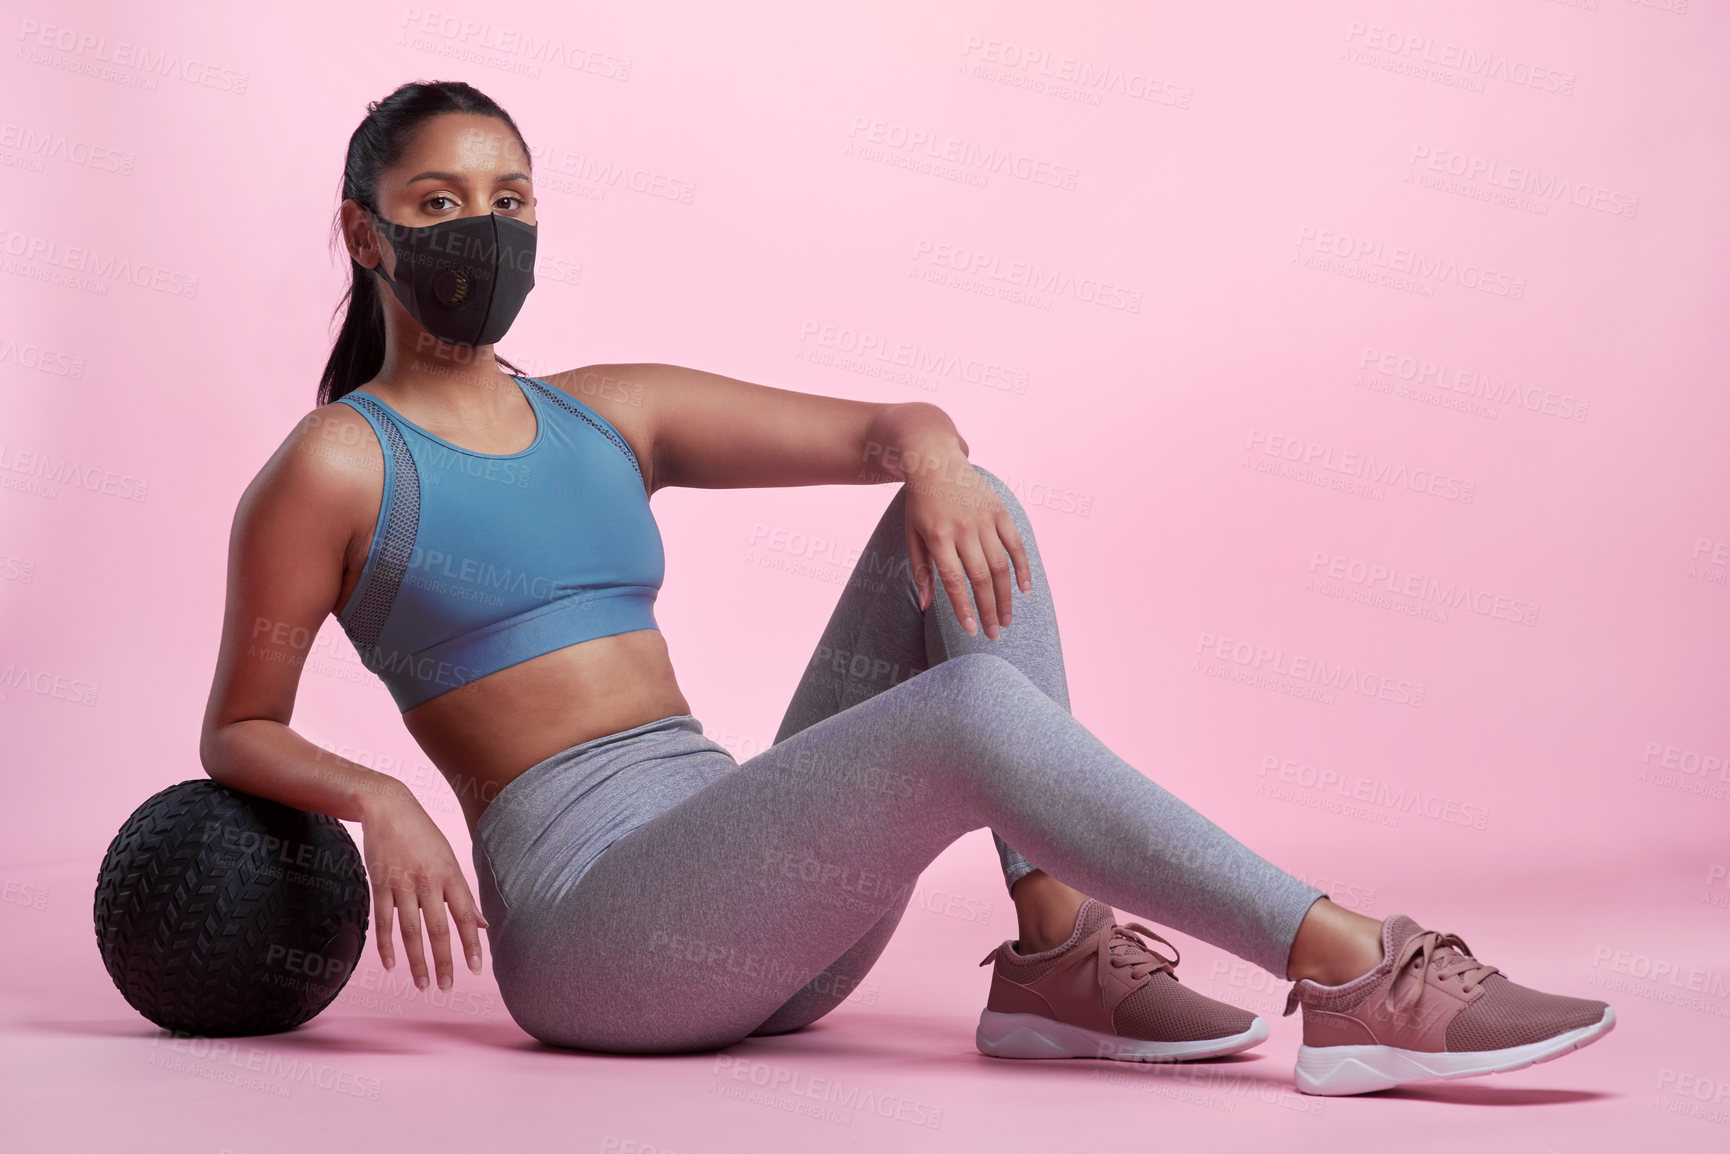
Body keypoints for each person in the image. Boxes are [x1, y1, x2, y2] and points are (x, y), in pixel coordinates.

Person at [200, 80, 1615, 1097]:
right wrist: (378, 795)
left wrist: (932, 453)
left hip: (751, 897)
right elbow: (239, 726)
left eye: (509, 200)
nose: (482, 232)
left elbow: (890, 427)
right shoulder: (336, 464)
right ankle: (1357, 968)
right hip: (600, 942)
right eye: (439, 204)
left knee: (968, 511)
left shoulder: (604, 413)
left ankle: (1056, 955)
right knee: (960, 716)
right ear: (367, 234)